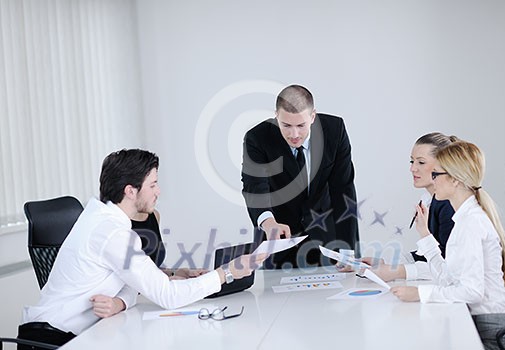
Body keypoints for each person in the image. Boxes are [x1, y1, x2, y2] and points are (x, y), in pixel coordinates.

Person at [18, 149, 266, 349]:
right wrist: (226, 273)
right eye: (153, 184)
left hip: (75, 335)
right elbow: (168, 296)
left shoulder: (101, 217)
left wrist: (120, 303)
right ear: (130, 190)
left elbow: (131, 285)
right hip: (53, 341)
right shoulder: (113, 233)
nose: (158, 192)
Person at [390, 141, 505, 350]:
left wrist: (421, 294)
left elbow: (472, 291)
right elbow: (451, 280)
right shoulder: (463, 219)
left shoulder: (471, 223)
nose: (432, 181)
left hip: (498, 330)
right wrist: (425, 235)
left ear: (454, 180)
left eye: (435, 175)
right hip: (487, 323)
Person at [241, 84, 359, 268]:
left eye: (301, 125)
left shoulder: (335, 131)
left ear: (313, 117)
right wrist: (268, 222)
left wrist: (348, 250)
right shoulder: (257, 138)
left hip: (327, 239)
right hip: (278, 241)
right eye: (286, 125)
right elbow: (254, 187)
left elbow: (344, 190)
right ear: (276, 116)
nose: (294, 134)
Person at [340, 132, 458, 279]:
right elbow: (429, 256)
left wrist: (398, 271)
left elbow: (450, 267)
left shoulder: (450, 206)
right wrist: (386, 263)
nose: (413, 169)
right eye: (412, 162)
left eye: (421, 162)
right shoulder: (431, 201)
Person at [131, 210, 206, 279]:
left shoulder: (154, 215)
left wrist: (177, 273)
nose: (157, 194)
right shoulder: (122, 223)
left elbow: (151, 270)